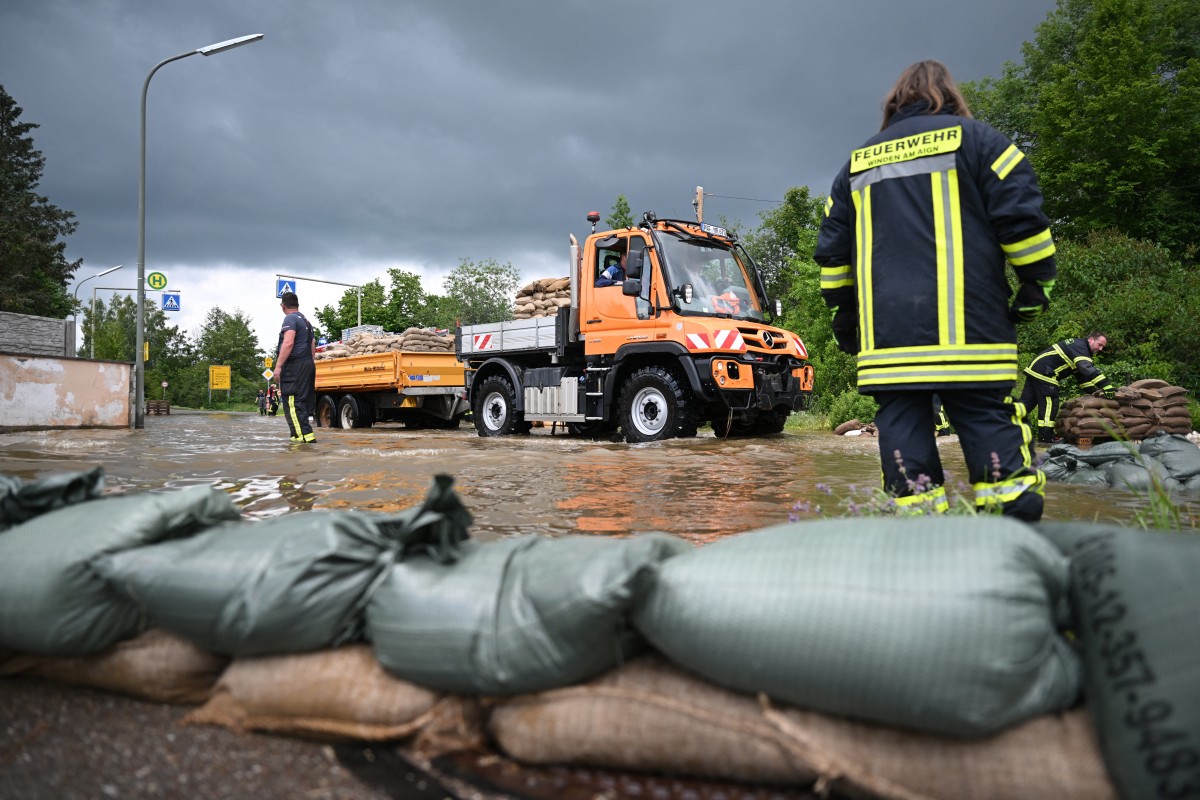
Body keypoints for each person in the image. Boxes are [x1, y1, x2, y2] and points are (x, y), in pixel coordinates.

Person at [814, 60, 1057, 522]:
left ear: (894, 104)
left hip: (889, 342)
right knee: (991, 431)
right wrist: (1033, 291)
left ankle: (924, 552)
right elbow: (1025, 228)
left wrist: (845, 320)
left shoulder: (855, 166)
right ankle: (1015, 547)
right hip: (973, 331)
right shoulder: (984, 143)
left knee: (906, 458)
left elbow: (833, 259)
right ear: (950, 96)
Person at [1018, 332, 1113, 444]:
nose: (1101, 349)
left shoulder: (1079, 348)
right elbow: (1086, 368)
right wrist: (1106, 385)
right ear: (1091, 339)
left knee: (1026, 404)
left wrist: (1095, 392)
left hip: (1037, 371)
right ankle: (1045, 438)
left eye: (1103, 347)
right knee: (1050, 404)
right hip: (1045, 373)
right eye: (1099, 344)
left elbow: (1082, 377)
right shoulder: (1080, 348)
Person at [273, 291, 317, 443]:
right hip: (307, 364)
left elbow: (288, 342)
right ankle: (304, 438)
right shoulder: (306, 322)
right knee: (302, 403)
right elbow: (312, 346)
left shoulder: (290, 319)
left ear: (283, 306)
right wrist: (309, 365)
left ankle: (302, 441)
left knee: (292, 403)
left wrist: (278, 367)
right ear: (297, 305)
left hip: (294, 366)